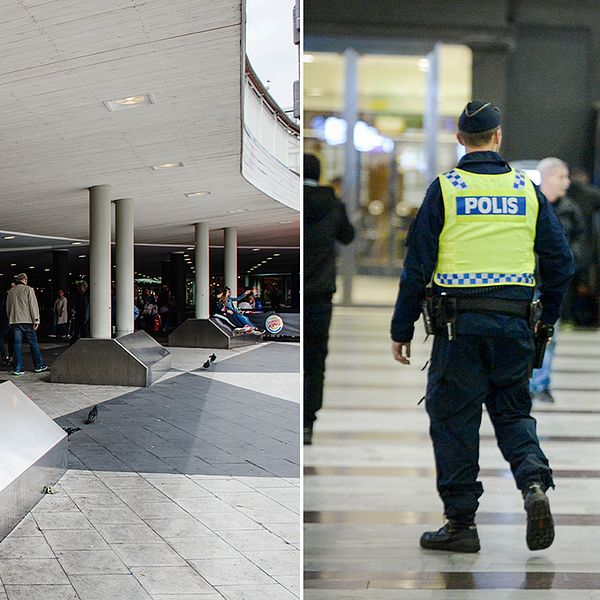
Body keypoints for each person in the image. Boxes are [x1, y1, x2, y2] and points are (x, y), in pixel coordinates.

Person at [390, 101, 574, 553]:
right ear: (497, 137)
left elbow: (417, 265)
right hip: (514, 326)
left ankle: (461, 524)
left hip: (459, 330)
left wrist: (402, 327)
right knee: (513, 413)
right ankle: (533, 483)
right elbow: (561, 262)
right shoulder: (526, 190)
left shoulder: (445, 189)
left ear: (460, 140)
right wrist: (545, 321)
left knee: (454, 422)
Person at [303, 153, 355, 445]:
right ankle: (308, 422)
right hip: (321, 294)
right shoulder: (332, 204)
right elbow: (348, 237)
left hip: (302, 291)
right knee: (316, 359)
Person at [530, 158, 585, 402]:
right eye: (562, 176)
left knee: (548, 335)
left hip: (553, 285)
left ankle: (541, 385)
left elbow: (583, 242)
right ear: (548, 177)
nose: (567, 182)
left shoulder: (570, 209)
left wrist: (568, 261)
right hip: (527, 281)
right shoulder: (530, 203)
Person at [6, 273, 49, 375]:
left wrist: (10, 319)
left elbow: (8, 308)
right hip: (27, 321)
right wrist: (36, 320)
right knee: (33, 344)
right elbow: (33, 305)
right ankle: (38, 366)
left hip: (15, 321)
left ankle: (18, 368)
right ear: (25, 279)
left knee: (17, 345)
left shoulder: (11, 291)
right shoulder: (29, 289)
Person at [70, 280, 90, 346]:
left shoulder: (88, 296)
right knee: (76, 332)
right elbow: (72, 306)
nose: (78, 289)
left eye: (80, 287)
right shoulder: (75, 296)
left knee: (84, 332)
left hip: (85, 317)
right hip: (78, 316)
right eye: (78, 287)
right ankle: (73, 345)